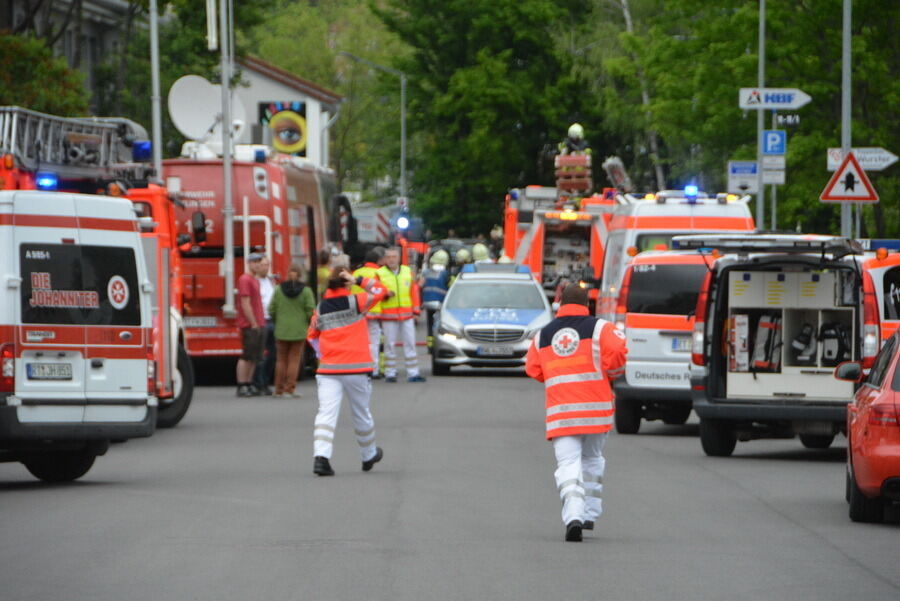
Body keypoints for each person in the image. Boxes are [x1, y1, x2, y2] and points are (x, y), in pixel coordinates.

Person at [525, 284, 627, 542]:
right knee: (592, 459)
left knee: (568, 464)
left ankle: (573, 517)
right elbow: (617, 351)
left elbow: (533, 369)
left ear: (559, 303)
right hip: (597, 411)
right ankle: (590, 513)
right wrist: (610, 372)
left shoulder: (542, 335)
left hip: (562, 413)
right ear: (587, 304)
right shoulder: (601, 328)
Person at [307, 268, 390, 476]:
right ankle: (368, 455)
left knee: (326, 414)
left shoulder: (320, 308)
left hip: (328, 369)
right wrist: (360, 279)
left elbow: (312, 336)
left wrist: (324, 354)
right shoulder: (358, 301)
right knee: (361, 413)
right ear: (346, 284)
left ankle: (321, 458)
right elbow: (382, 290)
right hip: (356, 368)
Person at [377, 247, 425, 383]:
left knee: (410, 343)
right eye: (389, 257)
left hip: (407, 315)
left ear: (398, 258)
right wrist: (384, 294)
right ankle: (390, 373)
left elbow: (413, 292)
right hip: (388, 316)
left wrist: (416, 311)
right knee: (389, 345)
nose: (391, 259)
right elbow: (375, 292)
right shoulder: (379, 274)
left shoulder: (407, 272)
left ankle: (413, 373)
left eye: (394, 257)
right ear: (385, 259)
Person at [268, 264, 316, 398]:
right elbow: (310, 311)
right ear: (300, 275)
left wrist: (278, 320)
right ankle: (290, 388)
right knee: (294, 360)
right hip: (299, 330)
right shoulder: (306, 291)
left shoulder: (278, 290)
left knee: (281, 360)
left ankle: (278, 389)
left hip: (282, 329)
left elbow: (271, 309)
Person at [235, 253, 268, 397]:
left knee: (255, 355)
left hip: (259, 322)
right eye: (254, 262)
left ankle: (249, 383)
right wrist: (253, 322)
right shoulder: (245, 279)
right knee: (247, 355)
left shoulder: (255, 280)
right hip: (250, 324)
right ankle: (242, 384)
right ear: (248, 263)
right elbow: (245, 302)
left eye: (259, 262)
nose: (257, 265)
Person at [352, 247, 386, 379]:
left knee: (360, 341)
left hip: (358, 311)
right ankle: (374, 369)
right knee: (374, 341)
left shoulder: (355, 273)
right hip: (374, 311)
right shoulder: (379, 273)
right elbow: (384, 292)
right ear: (377, 260)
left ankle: (360, 368)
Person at [252, 255, 276, 395]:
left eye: (267, 265)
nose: (266, 267)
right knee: (260, 354)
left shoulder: (270, 281)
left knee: (273, 354)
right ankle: (258, 383)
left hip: (272, 319)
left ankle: (266, 381)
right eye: (263, 265)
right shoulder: (255, 282)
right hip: (261, 320)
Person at [420, 249, 450, 351]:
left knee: (430, 324)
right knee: (439, 324)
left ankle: (430, 345)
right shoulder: (445, 273)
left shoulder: (426, 272)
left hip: (428, 302)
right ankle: (439, 344)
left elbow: (420, 286)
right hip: (441, 303)